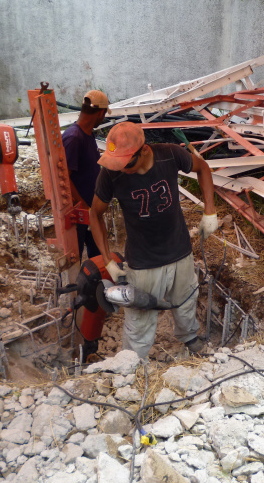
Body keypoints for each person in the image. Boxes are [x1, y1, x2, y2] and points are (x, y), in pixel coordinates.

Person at [89, 121, 218, 358]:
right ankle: (133, 363)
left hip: (180, 250)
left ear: (144, 151)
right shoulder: (110, 174)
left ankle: (189, 338)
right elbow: (95, 214)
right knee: (139, 317)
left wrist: (209, 210)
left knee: (186, 301)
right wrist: (107, 260)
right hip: (143, 261)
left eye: (126, 163)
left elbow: (203, 168)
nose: (122, 169)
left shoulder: (170, 154)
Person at [62, 90, 110, 260]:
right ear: (100, 113)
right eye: (104, 115)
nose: (103, 118)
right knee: (73, 259)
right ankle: (73, 286)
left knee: (98, 256)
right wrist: (85, 210)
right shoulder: (74, 137)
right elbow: (64, 178)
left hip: (91, 210)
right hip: (78, 212)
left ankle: (97, 286)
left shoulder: (88, 135)